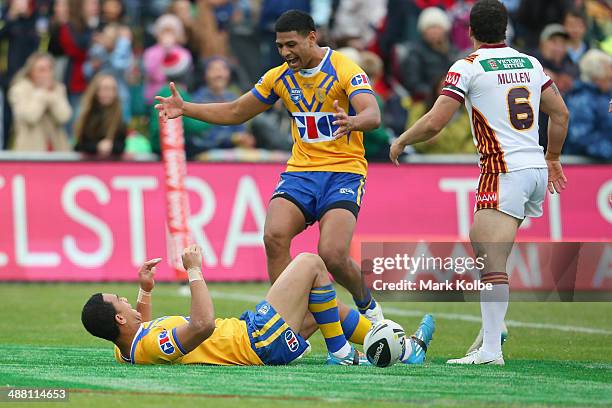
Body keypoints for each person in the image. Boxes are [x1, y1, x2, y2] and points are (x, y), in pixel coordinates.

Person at [155, 10, 385, 330]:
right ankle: (287, 323)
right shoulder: (279, 77)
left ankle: (371, 311)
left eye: (291, 44)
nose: (285, 52)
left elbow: (372, 114)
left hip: (343, 172)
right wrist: (186, 109)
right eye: (280, 46)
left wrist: (354, 122)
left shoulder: (345, 68)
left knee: (332, 254)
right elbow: (237, 111)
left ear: (311, 37)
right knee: (274, 237)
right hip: (302, 171)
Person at [390, 0, 569, 365]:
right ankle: (493, 331)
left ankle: (490, 348)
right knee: (492, 254)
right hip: (534, 166)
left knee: (490, 260)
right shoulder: (530, 63)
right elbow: (561, 113)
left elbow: (437, 122)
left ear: (469, 31)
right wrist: (552, 157)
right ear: (505, 29)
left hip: (502, 169)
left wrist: (403, 138)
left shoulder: (467, 66)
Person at [81, 245, 435, 366]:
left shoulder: (124, 346)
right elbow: (202, 323)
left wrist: (144, 292)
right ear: (117, 317)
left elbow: (137, 327)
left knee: (327, 308)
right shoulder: (150, 346)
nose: (125, 299)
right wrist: (194, 270)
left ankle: (406, 353)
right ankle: (340, 353)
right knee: (311, 262)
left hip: (255, 335)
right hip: (256, 340)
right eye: (120, 300)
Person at [8, 52, 72, 151]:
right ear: (30, 71)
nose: (46, 73)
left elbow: (64, 117)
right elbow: (30, 117)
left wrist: (52, 97)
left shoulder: (58, 88)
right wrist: (42, 94)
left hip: (57, 150)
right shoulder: (19, 89)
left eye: (50, 69)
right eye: (41, 70)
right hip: (30, 151)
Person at [563, 49, 612, 161]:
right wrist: (609, 151)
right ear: (596, 76)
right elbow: (581, 137)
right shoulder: (581, 99)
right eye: (608, 78)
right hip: (586, 167)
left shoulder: (606, 95)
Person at [74, 73, 126, 158]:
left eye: (112, 89)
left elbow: (122, 145)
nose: (109, 93)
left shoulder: (119, 116)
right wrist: (98, 146)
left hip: (111, 165)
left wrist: (111, 146)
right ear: (96, 91)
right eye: (105, 88)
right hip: (87, 165)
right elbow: (79, 145)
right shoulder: (87, 113)